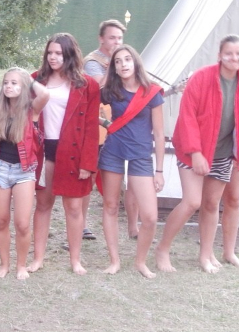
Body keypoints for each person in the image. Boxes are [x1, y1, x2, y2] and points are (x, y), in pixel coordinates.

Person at [156, 34, 239, 274]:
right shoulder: (201, 77)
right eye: (229, 53)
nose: (234, 58)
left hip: (224, 153)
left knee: (211, 203)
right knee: (192, 202)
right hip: (192, 150)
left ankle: (205, 256)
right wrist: (196, 153)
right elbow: (187, 116)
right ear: (219, 55)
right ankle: (162, 249)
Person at [28, 33, 100, 275]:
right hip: (43, 149)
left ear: (69, 54)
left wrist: (88, 163)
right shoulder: (35, 80)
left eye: (58, 53)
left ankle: (75, 260)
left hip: (72, 150)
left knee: (74, 208)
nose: (53, 57)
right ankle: (38, 258)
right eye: (50, 52)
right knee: (43, 205)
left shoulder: (87, 84)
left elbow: (91, 127)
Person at [98, 45, 164, 278]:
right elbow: (87, 104)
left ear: (135, 62)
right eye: (117, 61)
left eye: (127, 59)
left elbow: (159, 134)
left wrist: (159, 170)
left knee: (150, 216)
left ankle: (140, 262)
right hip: (113, 153)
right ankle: (114, 260)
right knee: (111, 206)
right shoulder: (110, 90)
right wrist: (105, 123)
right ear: (114, 67)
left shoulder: (152, 92)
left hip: (141, 156)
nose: (123, 64)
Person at [0, 68, 48, 280]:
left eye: (14, 83)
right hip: (0, 169)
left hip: (24, 171)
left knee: (22, 223)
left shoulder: (32, 109)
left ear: (23, 87)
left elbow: (45, 94)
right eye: (6, 83)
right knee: (1, 221)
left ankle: (21, 265)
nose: (9, 86)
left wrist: (28, 78)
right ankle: (4, 265)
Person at [83, 19, 126, 241]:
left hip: (114, 126)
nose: (117, 42)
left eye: (120, 38)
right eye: (112, 38)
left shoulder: (123, 61)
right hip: (93, 127)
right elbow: (99, 85)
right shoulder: (92, 62)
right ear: (101, 39)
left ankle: (129, 226)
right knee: (88, 178)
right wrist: (115, 66)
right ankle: (81, 224)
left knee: (116, 178)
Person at [219, 33, 239, 268]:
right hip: (216, 146)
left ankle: (229, 252)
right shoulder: (222, 76)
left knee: (234, 197)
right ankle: (207, 249)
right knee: (208, 200)